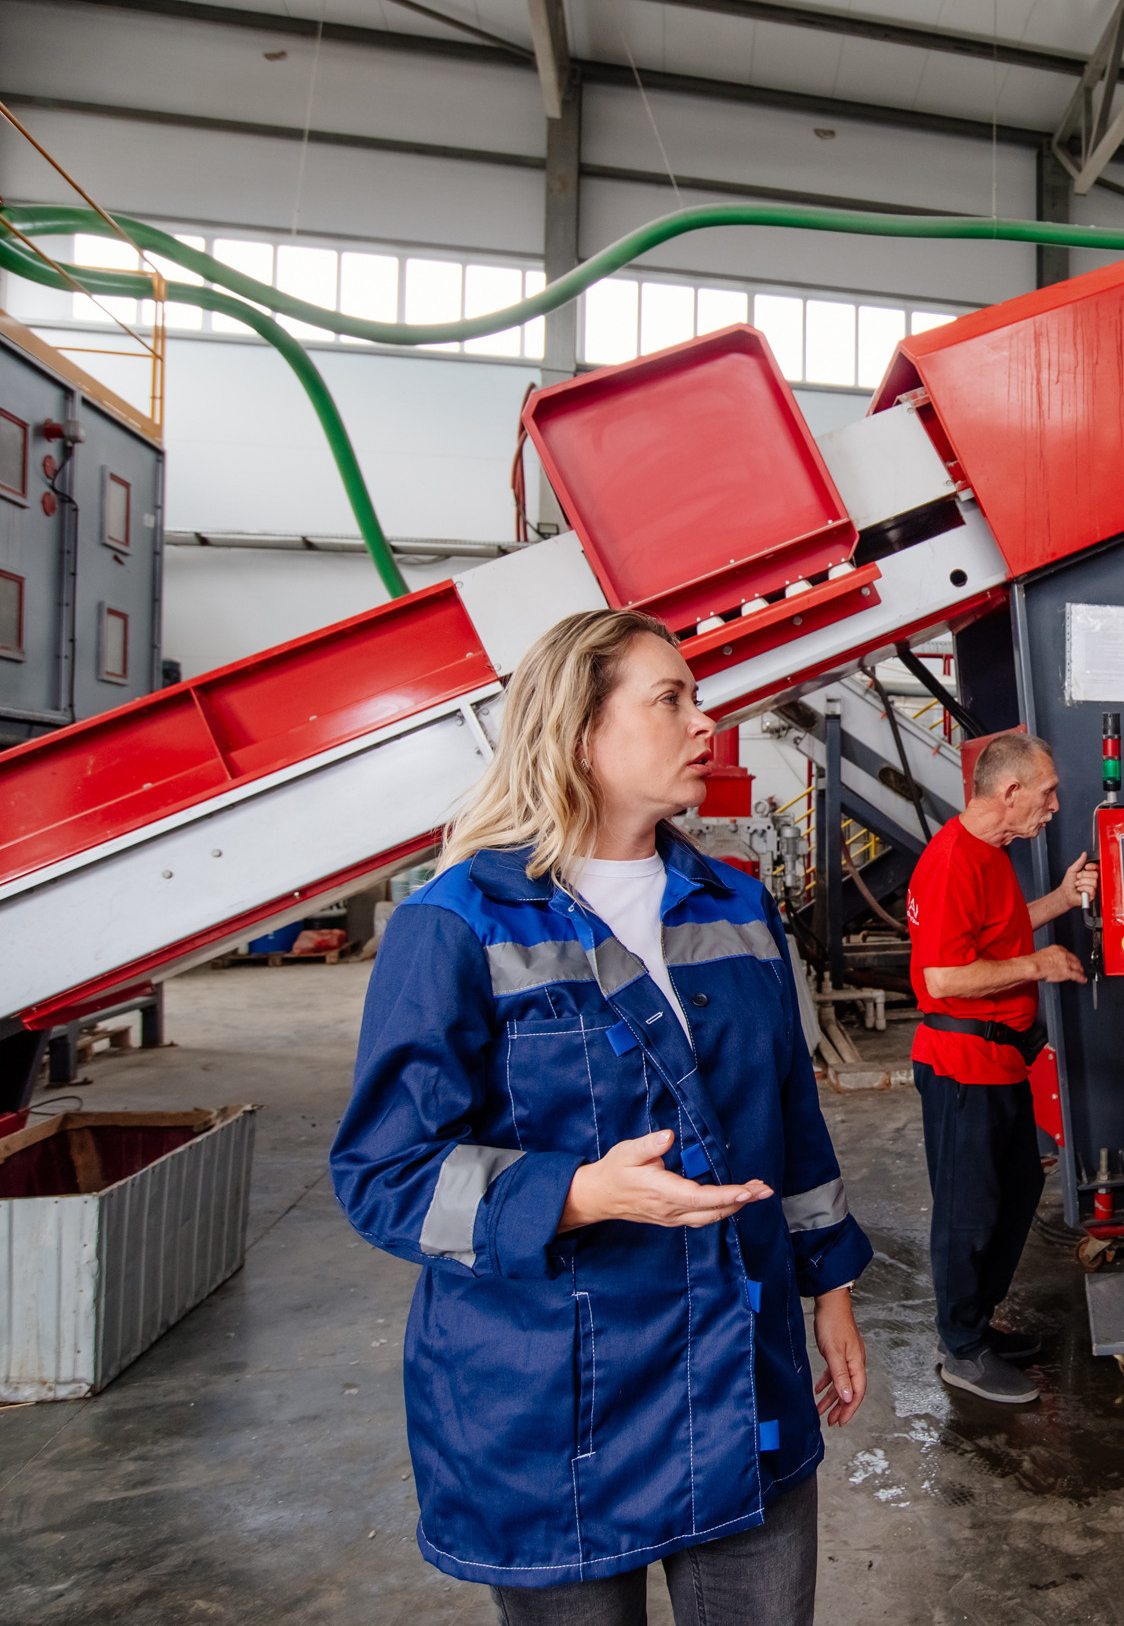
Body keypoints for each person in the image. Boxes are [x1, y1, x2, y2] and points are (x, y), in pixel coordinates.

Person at [332, 609, 872, 1625]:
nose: (703, 721)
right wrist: (576, 1193)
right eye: (670, 698)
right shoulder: (454, 925)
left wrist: (830, 1287)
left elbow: (791, 1117)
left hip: (738, 1374)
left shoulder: (735, 907)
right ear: (579, 729)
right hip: (554, 1408)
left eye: (696, 696)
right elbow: (384, 1173)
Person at [906, 730, 1097, 1405]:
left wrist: (1062, 900)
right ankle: (961, 1346)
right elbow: (945, 976)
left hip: (999, 1062)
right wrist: (1037, 965)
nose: (1051, 807)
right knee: (968, 1211)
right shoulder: (953, 860)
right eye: (1045, 795)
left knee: (1014, 1190)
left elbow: (1006, 927)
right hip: (961, 1063)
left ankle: (978, 1322)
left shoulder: (990, 855)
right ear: (1010, 791)